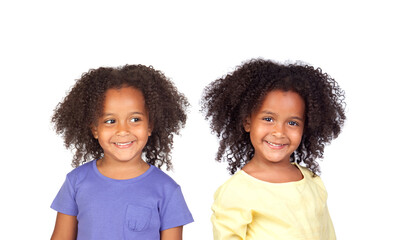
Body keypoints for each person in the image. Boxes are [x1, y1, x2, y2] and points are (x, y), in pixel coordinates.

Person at [201, 58, 346, 239]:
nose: (279, 132)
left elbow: (328, 235)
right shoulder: (237, 191)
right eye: (268, 119)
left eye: (292, 122)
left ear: (305, 127)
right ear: (247, 122)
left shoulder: (312, 181)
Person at [50, 64, 193, 240]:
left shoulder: (167, 190)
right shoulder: (76, 182)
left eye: (135, 119)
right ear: (95, 129)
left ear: (150, 126)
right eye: (110, 121)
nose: (123, 130)